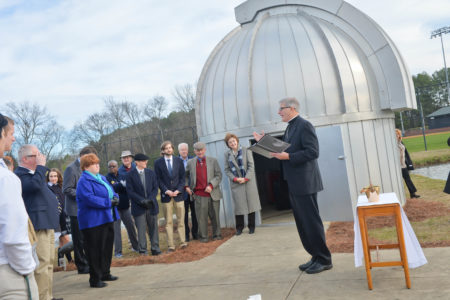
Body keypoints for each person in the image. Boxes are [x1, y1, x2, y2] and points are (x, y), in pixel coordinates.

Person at [253, 97, 332, 274]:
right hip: (295, 183)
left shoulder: (304, 125)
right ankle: (315, 256)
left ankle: (324, 259)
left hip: (306, 183)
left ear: (292, 108)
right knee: (303, 223)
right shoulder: (290, 127)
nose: (278, 112)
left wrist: (288, 157)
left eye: (281, 109)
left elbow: (313, 152)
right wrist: (264, 141)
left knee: (311, 223)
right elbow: (285, 149)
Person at [0, 113, 39, 299]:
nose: (13, 138)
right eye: (10, 133)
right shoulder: (6, 178)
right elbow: (13, 236)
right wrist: (27, 269)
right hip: (9, 271)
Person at [15, 144, 61, 299]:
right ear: (25, 158)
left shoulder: (36, 174)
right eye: (36, 155)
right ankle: (42, 297)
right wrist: (41, 167)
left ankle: (48, 295)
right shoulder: (20, 174)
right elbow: (33, 187)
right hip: (38, 224)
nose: (41, 157)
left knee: (49, 262)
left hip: (46, 222)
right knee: (41, 264)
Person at [76, 153, 119, 288]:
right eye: (94, 164)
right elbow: (89, 198)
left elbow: (111, 191)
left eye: (98, 163)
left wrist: (116, 198)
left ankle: (105, 272)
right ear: (86, 166)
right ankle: (95, 279)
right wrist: (108, 202)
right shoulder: (84, 181)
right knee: (94, 250)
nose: (98, 165)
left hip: (107, 216)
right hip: (93, 221)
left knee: (106, 247)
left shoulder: (101, 177)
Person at [63, 146, 98, 274]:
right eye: (90, 159)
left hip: (87, 209)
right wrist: (84, 194)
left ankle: (88, 262)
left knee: (87, 238)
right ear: (83, 156)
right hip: (75, 210)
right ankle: (82, 266)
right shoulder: (71, 169)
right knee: (79, 239)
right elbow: (66, 189)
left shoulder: (88, 168)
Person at [223, 133, 261, 235]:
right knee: (239, 207)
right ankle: (239, 228)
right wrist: (235, 178)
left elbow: (251, 166)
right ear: (228, 144)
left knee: (251, 205)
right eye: (230, 142)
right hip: (236, 184)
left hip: (248, 182)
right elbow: (227, 170)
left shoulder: (246, 150)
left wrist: (246, 178)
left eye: (233, 141)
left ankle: (251, 227)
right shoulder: (227, 154)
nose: (232, 143)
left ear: (237, 140)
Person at [185, 142, 223, 243]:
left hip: (213, 193)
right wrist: (186, 186)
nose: (200, 152)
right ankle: (204, 237)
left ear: (205, 150)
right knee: (201, 218)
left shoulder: (213, 161)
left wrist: (211, 185)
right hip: (199, 195)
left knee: (215, 216)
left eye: (201, 150)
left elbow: (219, 175)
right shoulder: (190, 162)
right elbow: (184, 176)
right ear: (194, 151)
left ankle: (217, 235)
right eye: (198, 150)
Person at [154, 141, 187, 252]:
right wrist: (166, 190)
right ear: (162, 151)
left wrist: (178, 190)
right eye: (166, 148)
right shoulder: (158, 163)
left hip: (179, 195)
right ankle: (171, 246)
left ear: (172, 149)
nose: (169, 150)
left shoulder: (178, 161)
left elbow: (183, 178)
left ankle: (183, 242)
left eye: (170, 148)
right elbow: (158, 179)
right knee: (168, 222)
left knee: (181, 220)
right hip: (166, 196)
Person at [126, 153, 161, 256]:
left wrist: (149, 199)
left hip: (151, 205)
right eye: (143, 161)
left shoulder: (151, 173)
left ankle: (155, 248)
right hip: (138, 207)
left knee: (153, 228)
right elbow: (130, 191)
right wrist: (141, 201)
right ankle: (143, 250)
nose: (146, 162)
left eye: (146, 160)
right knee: (141, 229)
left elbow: (155, 188)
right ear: (136, 162)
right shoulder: (130, 175)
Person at [105, 158, 139, 258]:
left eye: (113, 166)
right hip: (114, 208)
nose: (111, 168)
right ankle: (118, 252)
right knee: (116, 230)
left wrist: (119, 186)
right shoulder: (107, 178)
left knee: (131, 227)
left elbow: (127, 187)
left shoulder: (123, 175)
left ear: (117, 167)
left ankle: (136, 247)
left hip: (125, 206)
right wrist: (121, 185)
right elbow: (112, 189)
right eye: (110, 166)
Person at [47, 168, 73, 264]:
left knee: (63, 241)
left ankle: (61, 262)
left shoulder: (61, 187)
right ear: (48, 177)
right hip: (55, 218)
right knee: (66, 239)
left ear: (58, 177)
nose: (53, 178)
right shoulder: (47, 188)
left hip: (64, 217)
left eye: (55, 176)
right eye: (51, 176)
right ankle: (69, 260)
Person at [178, 142, 198, 241]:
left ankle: (196, 233)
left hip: (193, 191)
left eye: (185, 149)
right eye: (182, 150)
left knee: (195, 213)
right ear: (179, 151)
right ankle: (186, 235)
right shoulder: (176, 161)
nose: (184, 151)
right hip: (182, 193)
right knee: (183, 216)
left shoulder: (193, 159)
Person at [395, 129, 420, 198]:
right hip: (397, 166)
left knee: (408, 179)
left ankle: (413, 194)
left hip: (403, 165)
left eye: (397, 134)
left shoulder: (400, 142)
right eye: (395, 135)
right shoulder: (392, 144)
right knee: (399, 181)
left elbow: (406, 153)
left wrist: (408, 163)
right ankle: (399, 195)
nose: (396, 136)